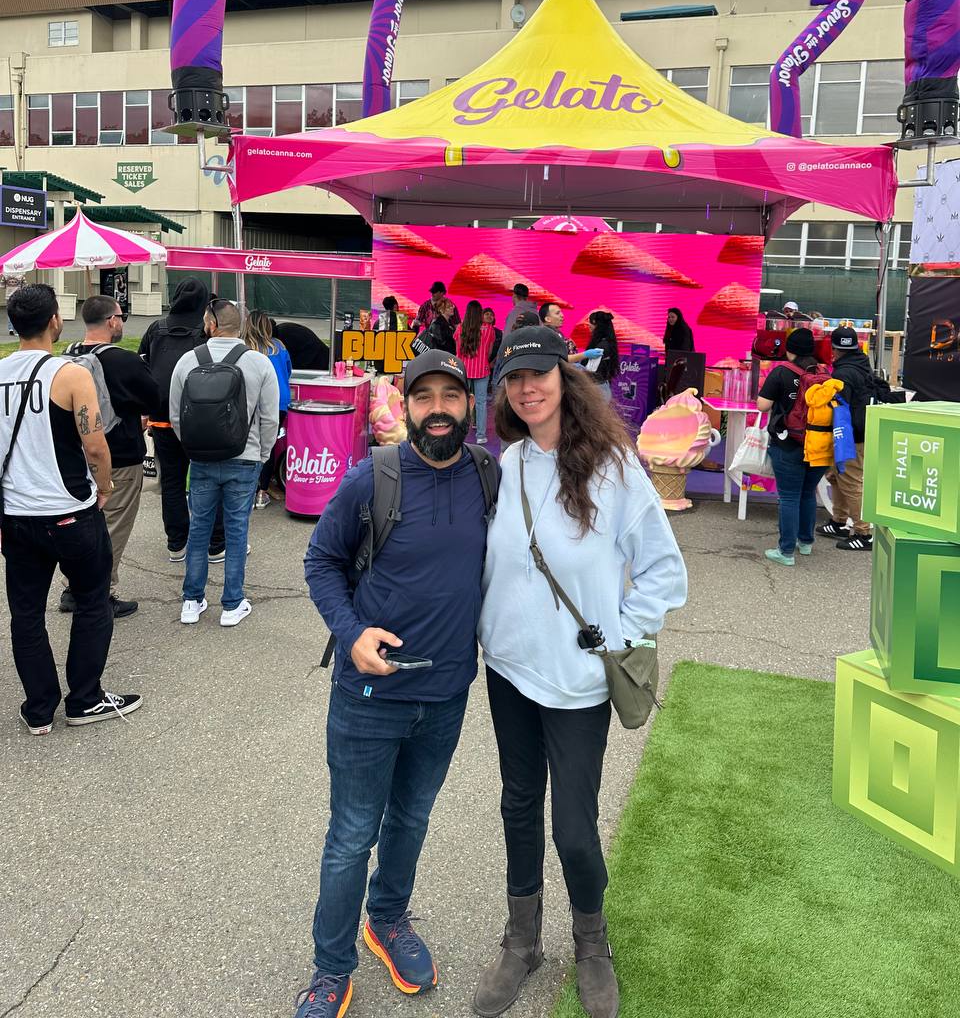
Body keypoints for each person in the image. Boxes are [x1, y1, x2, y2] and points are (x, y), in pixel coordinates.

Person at [474, 325, 687, 1018]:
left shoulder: (614, 470)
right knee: (516, 806)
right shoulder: (501, 467)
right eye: (513, 377)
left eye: (538, 373)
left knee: (571, 823)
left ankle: (592, 945)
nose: (527, 387)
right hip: (507, 668)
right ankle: (522, 940)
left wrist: (617, 635)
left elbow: (663, 570)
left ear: (567, 378)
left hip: (577, 683)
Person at [297, 350, 494, 1018]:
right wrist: (351, 633)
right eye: (423, 397)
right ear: (405, 407)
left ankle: (387, 918)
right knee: (353, 832)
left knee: (411, 817)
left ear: (470, 405)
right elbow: (321, 562)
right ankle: (330, 970)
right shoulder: (371, 479)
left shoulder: (487, 476)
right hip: (369, 696)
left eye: (451, 396)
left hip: (447, 694)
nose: (438, 408)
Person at [0, 285, 142, 733]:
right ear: (55, 321)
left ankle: (39, 708)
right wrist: (103, 488)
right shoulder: (71, 374)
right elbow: (95, 444)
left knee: (26, 613)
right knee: (92, 602)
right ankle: (85, 698)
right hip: (71, 512)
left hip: (18, 515)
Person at [169, 299, 279, 628]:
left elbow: (176, 415)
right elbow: (269, 419)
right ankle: (232, 603)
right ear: (241, 327)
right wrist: (260, 456)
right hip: (244, 460)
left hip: (201, 460)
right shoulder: (259, 363)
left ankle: (192, 600)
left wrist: (193, 446)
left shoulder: (188, 361)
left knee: (199, 529)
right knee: (236, 531)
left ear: (211, 325)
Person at [60, 295, 160, 618]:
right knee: (113, 526)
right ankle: (98, 592)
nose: (122, 322)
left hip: (76, 457)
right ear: (110, 321)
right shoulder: (124, 361)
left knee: (85, 525)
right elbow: (154, 398)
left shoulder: (68, 357)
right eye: (122, 316)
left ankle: (73, 586)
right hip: (119, 457)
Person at [139, 278, 225, 562]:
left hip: (162, 419)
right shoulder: (206, 330)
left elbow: (143, 365)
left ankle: (177, 543)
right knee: (207, 480)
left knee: (172, 482)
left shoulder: (157, 328)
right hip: (199, 421)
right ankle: (214, 544)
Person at [756, 327, 828, 567]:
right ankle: (805, 542)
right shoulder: (824, 373)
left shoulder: (781, 372)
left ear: (790, 350)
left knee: (788, 497)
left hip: (788, 443)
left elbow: (762, 406)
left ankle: (785, 551)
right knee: (808, 492)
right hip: (818, 444)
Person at [819, 326, 874, 552]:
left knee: (850, 480)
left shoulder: (843, 373)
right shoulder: (861, 363)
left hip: (851, 434)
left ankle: (864, 533)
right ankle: (839, 521)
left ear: (834, 349)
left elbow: (838, 405)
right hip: (855, 430)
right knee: (836, 475)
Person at [243, 310, 292, 509]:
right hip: (279, 402)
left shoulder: (245, 349)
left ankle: (247, 490)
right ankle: (262, 492)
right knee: (269, 445)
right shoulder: (279, 347)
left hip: (253, 402)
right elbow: (288, 372)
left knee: (248, 445)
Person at [455, 299, 495, 444]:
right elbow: (489, 352)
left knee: (462, 401)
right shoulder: (489, 330)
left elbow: (457, 352)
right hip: (482, 369)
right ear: (480, 314)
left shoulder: (459, 328)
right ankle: (481, 436)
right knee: (481, 402)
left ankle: (460, 433)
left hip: (464, 370)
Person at [584, 310, 619, 400]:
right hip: (602, 388)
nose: (588, 325)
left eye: (590, 322)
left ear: (597, 325)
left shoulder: (601, 347)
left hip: (595, 391)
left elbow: (590, 372)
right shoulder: (608, 343)